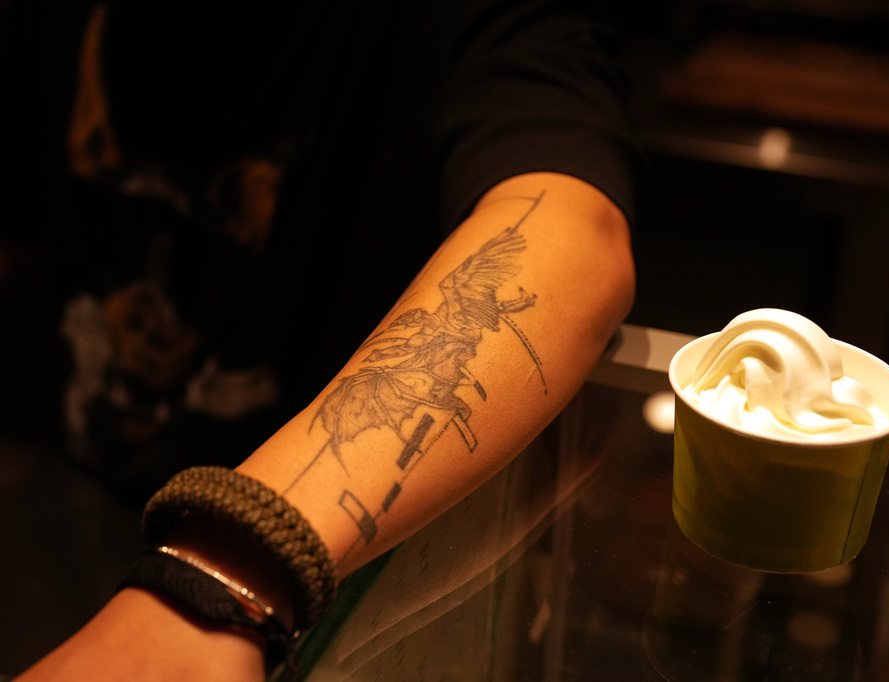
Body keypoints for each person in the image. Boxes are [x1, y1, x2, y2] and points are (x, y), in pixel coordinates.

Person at [7, 0, 637, 679]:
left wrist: (222, 569)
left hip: (317, 601)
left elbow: (572, 228)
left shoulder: (455, 22)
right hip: (55, 516)